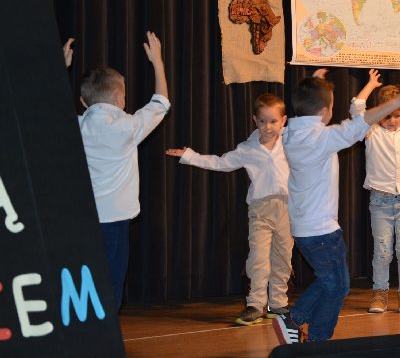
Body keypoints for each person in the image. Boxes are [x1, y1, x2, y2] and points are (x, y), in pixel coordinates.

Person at [272, 69, 400, 344]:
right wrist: (398, 101)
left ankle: (304, 328)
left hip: (305, 228)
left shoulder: (289, 133)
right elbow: (360, 123)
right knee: (338, 285)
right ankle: (305, 329)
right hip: (321, 231)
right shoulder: (321, 139)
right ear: (325, 111)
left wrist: (315, 83)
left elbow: (311, 111)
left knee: (331, 281)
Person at [166, 93, 292, 326]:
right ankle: (256, 304)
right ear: (255, 120)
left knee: (283, 257)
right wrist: (190, 156)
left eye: (273, 121)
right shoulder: (247, 148)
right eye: (262, 121)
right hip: (261, 209)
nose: (268, 126)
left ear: (283, 120)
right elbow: (221, 162)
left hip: (287, 207)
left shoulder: (291, 141)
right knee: (258, 258)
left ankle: (278, 303)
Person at [75, 32, 170, 308]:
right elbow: (161, 102)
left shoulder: (76, 126)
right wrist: (157, 62)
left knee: (83, 281)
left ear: (83, 101)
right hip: (114, 222)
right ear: (119, 98)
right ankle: (104, 331)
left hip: (81, 220)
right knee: (111, 284)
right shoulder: (127, 127)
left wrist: (57, 67)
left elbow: (43, 110)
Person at [349, 69, 400, 316]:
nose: (393, 120)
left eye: (397, 115)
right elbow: (356, 109)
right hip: (380, 202)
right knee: (383, 251)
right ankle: (380, 292)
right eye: (387, 115)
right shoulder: (371, 131)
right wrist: (370, 86)